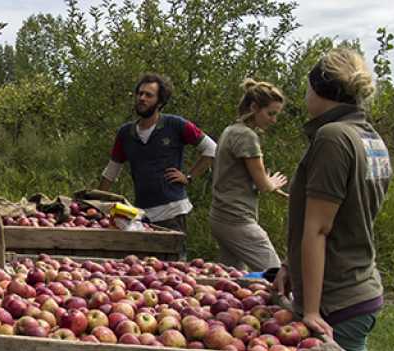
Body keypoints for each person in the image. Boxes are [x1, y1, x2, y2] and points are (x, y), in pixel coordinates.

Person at [274, 48, 392, 351]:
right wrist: (291, 264)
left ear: (319, 89)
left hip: (338, 296)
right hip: (356, 280)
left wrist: (310, 309)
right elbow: (348, 218)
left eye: (307, 87)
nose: (304, 95)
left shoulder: (332, 138)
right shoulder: (368, 137)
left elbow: (320, 229)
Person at [98, 73, 217, 257]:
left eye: (149, 95)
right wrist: (97, 203)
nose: (142, 98)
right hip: (142, 215)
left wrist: (188, 177)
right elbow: (111, 171)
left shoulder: (175, 125)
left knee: (174, 264)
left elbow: (211, 149)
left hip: (172, 212)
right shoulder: (126, 133)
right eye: (140, 93)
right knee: (144, 266)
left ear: (160, 101)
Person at [209, 79, 289, 272]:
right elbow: (263, 185)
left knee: (232, 278)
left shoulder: (230, 130)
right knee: (276, 274)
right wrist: (272, 183)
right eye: (270, 114)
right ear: (254, 108)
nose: (273, 120)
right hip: (236, 219)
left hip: (220, 216)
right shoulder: (247, 136)